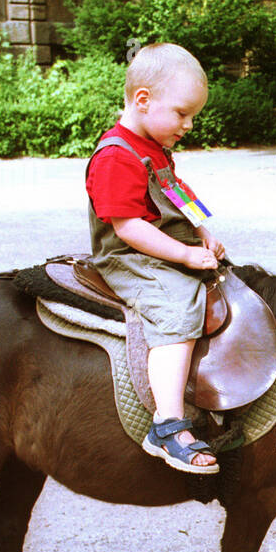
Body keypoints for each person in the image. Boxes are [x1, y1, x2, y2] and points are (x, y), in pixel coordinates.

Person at [85, 43, 226, 474]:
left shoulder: (155, 146)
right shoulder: (116, 156)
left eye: (192, 117)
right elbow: (128, 227)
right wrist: (183, 253)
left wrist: (202, 230)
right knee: (175, 305)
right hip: (130, 255)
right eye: (182, 113)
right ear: (143, 100)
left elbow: (176, 192)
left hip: (164, 241)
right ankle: (166, 425)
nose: (187, 125)